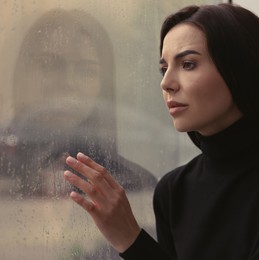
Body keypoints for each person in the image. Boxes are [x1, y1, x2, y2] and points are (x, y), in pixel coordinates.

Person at [64, 3, 259, 260]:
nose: (166, 83)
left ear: (239, 70)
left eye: (188, 64)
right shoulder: (173, 191)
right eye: (164, 67)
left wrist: (131, 240)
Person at [1, 8, 156, 259]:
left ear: (101, 85)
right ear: (21, 73)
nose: (68, 82)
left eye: (86, 70)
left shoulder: (131, 185)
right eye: (50, 64)